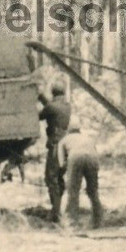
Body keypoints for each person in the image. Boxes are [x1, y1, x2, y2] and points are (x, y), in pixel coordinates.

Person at [57, 118, 104, 229]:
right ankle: (98, 221)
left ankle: (72, 222)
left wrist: (62, 176)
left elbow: (61, 164)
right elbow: (95, 153)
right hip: (93, 158)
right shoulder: (87, 139)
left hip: (75, 157)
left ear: (67, 130)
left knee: (73, 191)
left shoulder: (63, 141)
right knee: (93, 191)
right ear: (79, 130)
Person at [38, 80, 72, 222]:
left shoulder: (51, 107)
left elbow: (40, 115)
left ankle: (56, 212)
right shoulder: (67, 105)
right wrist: (41, 97)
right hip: (66, 144)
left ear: (53, 93)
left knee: (51, 177)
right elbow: (51, 107)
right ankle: (58, 209)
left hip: (56, 145)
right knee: (58, 177)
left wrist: (39, 95)